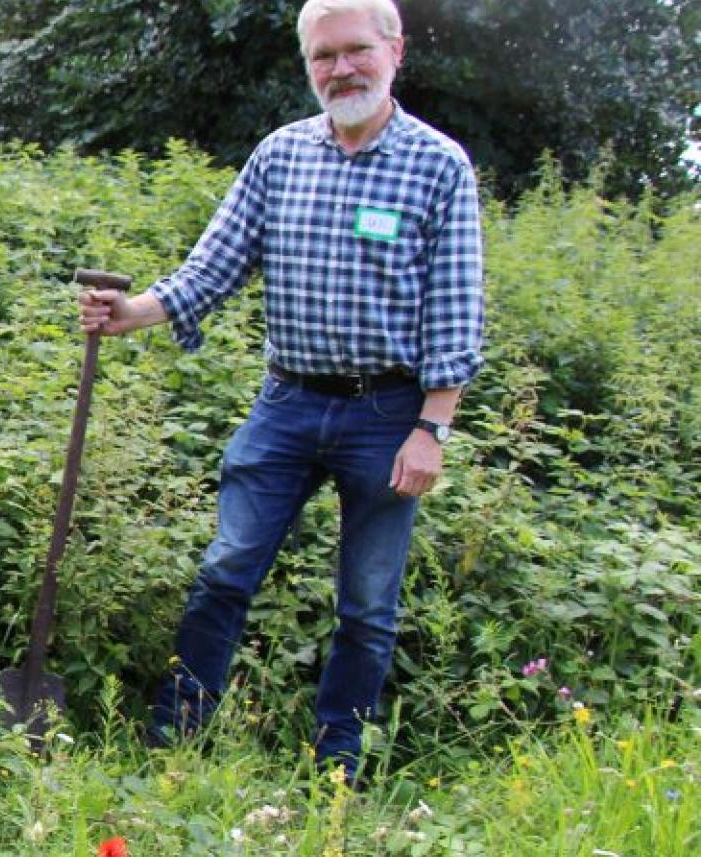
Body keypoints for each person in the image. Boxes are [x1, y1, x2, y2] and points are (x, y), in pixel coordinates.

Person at [78, 0, 483, 780]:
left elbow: (454, 308)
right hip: (287, 405)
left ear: (395, 50)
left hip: (388, 413)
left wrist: (432, 427)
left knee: (367, 603)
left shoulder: (439, 165)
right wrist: (132, 313)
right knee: (225, 570)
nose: (341, 69)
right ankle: (176, 740)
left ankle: (338, 768)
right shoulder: (281, 156)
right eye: (323, 56)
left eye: (356, 50)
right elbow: (213, 266)